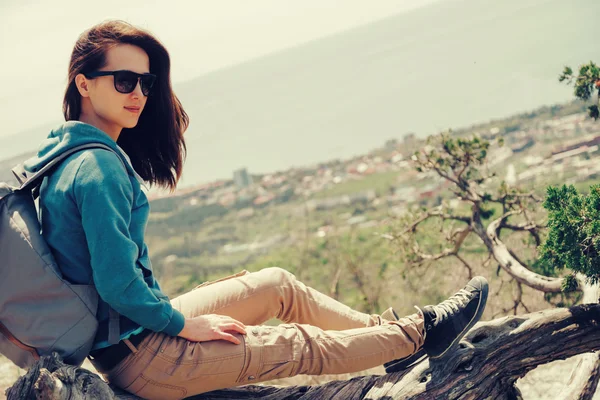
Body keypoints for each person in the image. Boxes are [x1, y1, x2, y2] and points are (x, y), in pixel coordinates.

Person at [24, 19, 489, 400]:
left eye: (146, 81)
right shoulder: (97, 168)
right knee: (297, 345)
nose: (140, 93)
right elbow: (118, 284)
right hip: (144, 358)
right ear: (84, 83)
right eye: (124, 80)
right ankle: (422, 333)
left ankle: (387, 337)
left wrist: (176, 323)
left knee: (276, 286)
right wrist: (186, 326)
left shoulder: (65, 154)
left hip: (133, 336)